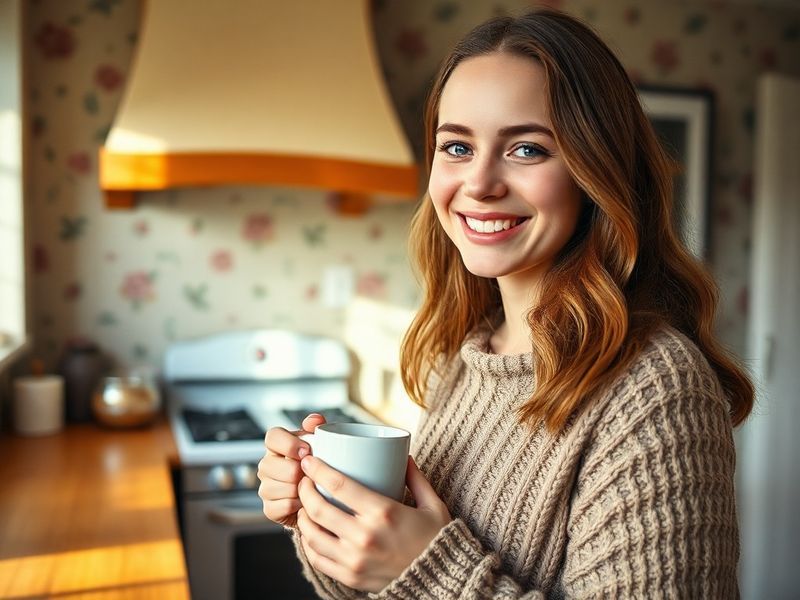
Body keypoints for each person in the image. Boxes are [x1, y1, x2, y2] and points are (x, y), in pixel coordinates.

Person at [257, 8, 754, 598]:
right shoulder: (463, 354)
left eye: (526, 150)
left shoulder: (655, 389)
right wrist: (326, 521)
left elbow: (420, 579)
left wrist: (427, 572)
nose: (479, 183)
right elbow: (389, 587)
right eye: (457, 147)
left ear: (596, 171)